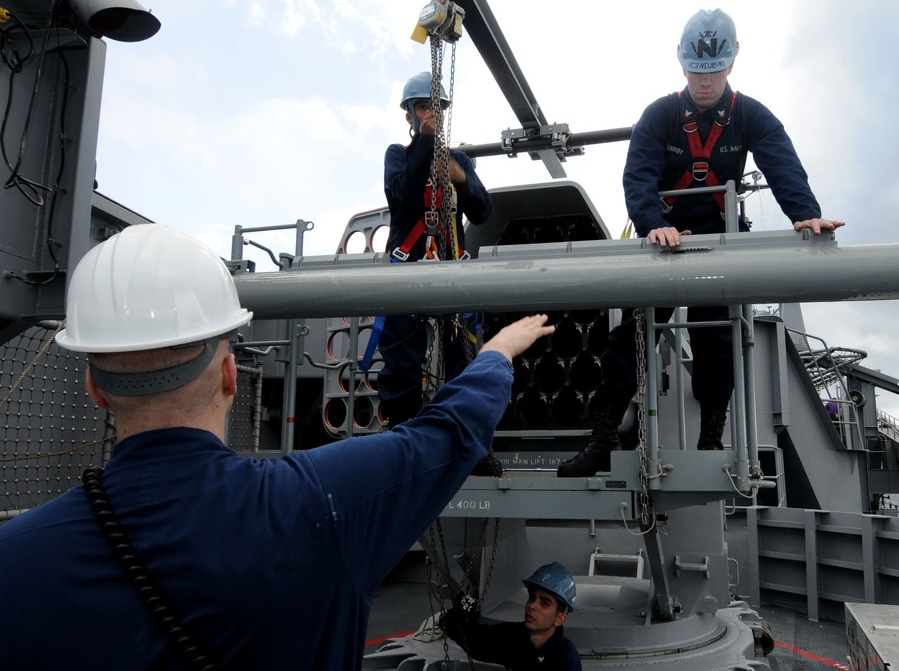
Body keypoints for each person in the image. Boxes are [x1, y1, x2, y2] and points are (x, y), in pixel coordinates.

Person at [0, 223, 554, 671]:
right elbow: (447, 434)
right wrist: (497, 351)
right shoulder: (323, 504)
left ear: (94, 389)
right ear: (228, 374)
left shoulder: (15, 557)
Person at [558, 8, 845, 477]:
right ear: (681, 65)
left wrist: (807, 216)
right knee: (628, 337)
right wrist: (653, 223)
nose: (704, 81)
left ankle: (711, 441)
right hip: (665, 242)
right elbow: (638, 177)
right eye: (696, 70)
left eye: (713, 70)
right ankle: (603, 438)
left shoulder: (750, 115)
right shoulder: (660, 116)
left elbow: (783, 166)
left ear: (731, 65)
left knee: (716, 337)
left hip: (717, 246)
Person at [376, 71, 493, 429]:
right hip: (408, 265)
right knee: (401, 357)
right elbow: (404, 196)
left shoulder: (458, 160)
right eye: (423, 107)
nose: (430, 114)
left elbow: (483, 210)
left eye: (436, 108)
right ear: (409, 114)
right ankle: (402, 427)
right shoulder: (398, 155)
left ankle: (460, 430)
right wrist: (426, 144)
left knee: (462, 352)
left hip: (448, 267)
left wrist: (464, 180)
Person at [441, 562, 582, 671]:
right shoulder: (517, 637)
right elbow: (478, 643)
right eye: (532, 598)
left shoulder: (566, 660)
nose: (532, 605)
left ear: (559, 619)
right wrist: (458, 619)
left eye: (544, 603)